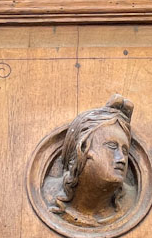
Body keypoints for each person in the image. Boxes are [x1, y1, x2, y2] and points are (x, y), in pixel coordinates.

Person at [50, 94, 134, 227]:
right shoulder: (49, 194)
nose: (122, 159)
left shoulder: (131, 201)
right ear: (82, 150)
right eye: (112, 146)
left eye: (125, 151)